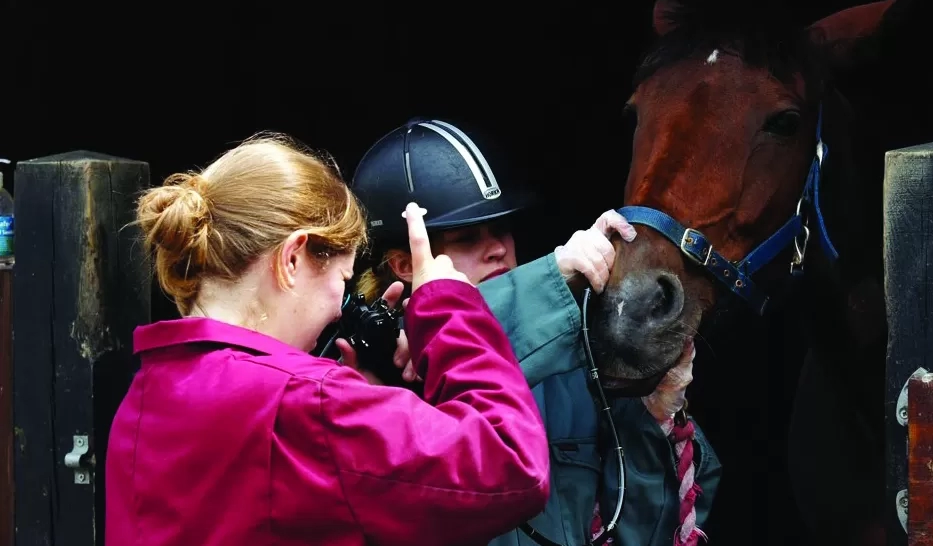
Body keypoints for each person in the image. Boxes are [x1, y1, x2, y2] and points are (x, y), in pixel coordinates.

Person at [103, 133, 552, 546]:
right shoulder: (307, 401)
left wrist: (371, 402)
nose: (341, 309)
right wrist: (448, 307)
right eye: (341, 279)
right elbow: (513, 466)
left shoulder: (145, 396)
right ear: (292, 259)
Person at [349, 118, 723, 546]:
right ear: (404, 265)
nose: (499, 249)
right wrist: (552, 278)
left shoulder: (572, 370)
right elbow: (442, 347)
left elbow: (647, 532)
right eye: (468, 238)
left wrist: (651, 424)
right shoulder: (369, 371)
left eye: (501, 229)